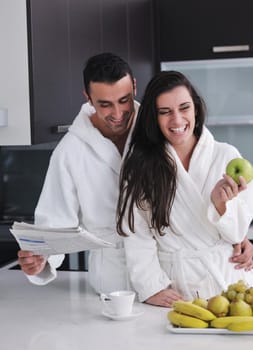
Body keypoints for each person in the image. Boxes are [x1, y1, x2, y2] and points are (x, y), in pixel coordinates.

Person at [18, 54, 253, 294]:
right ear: (88, 98)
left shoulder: (161, 121)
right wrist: (42, 258)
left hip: (169, 271)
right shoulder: (70, 152)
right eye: (105, 104)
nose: (118, 113)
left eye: (124, 100)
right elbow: (56, 223)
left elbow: (201, 161)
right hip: (114, 276)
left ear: (134, 88)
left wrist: (234, 234)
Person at [116, 70, 253, 307]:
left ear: (196, 109)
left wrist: (221, 206)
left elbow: (238, 233)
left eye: (184, 108)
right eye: (165, 112)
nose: (177, 120)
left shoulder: (226, 156)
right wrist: (151, 287)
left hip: (232, 283)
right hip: (176, 287)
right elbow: (137, 234)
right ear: (154, 118)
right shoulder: (140, 167)